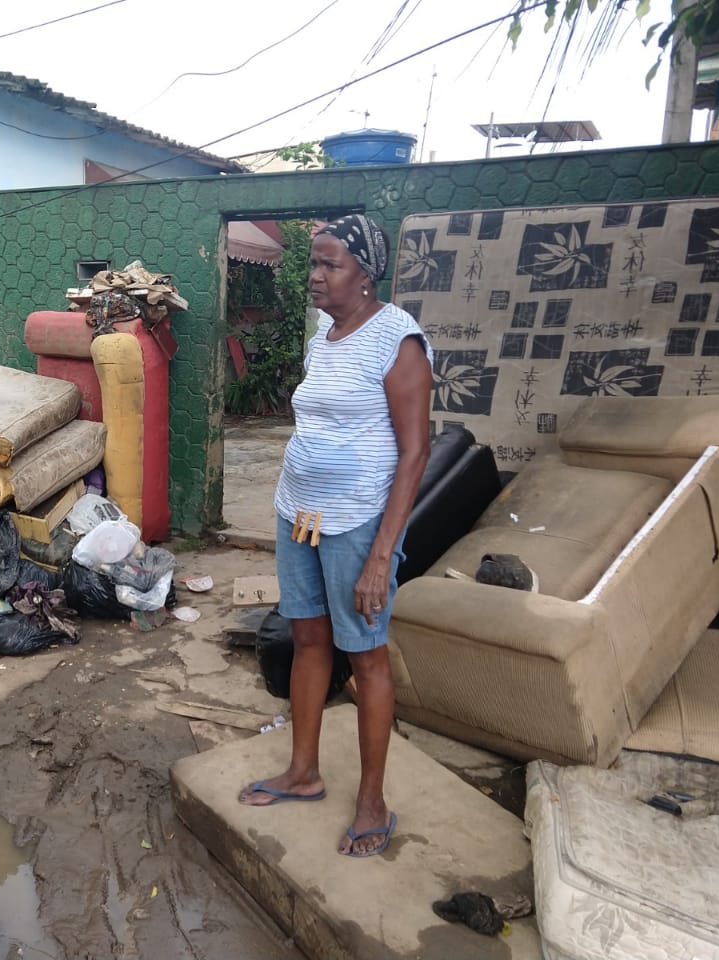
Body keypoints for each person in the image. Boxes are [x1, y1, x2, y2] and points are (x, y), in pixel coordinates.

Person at [238, 213, 433, 859]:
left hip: (357, 520)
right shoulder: (323, 335)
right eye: (314, 264)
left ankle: (372, 801)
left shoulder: (398, 341)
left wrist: (382, 556)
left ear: (365, 275)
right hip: (297, 510)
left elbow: (415, 453)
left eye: (330, 265)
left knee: (366, 656)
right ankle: (303, 771)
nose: (315, 277)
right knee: (307, 637)